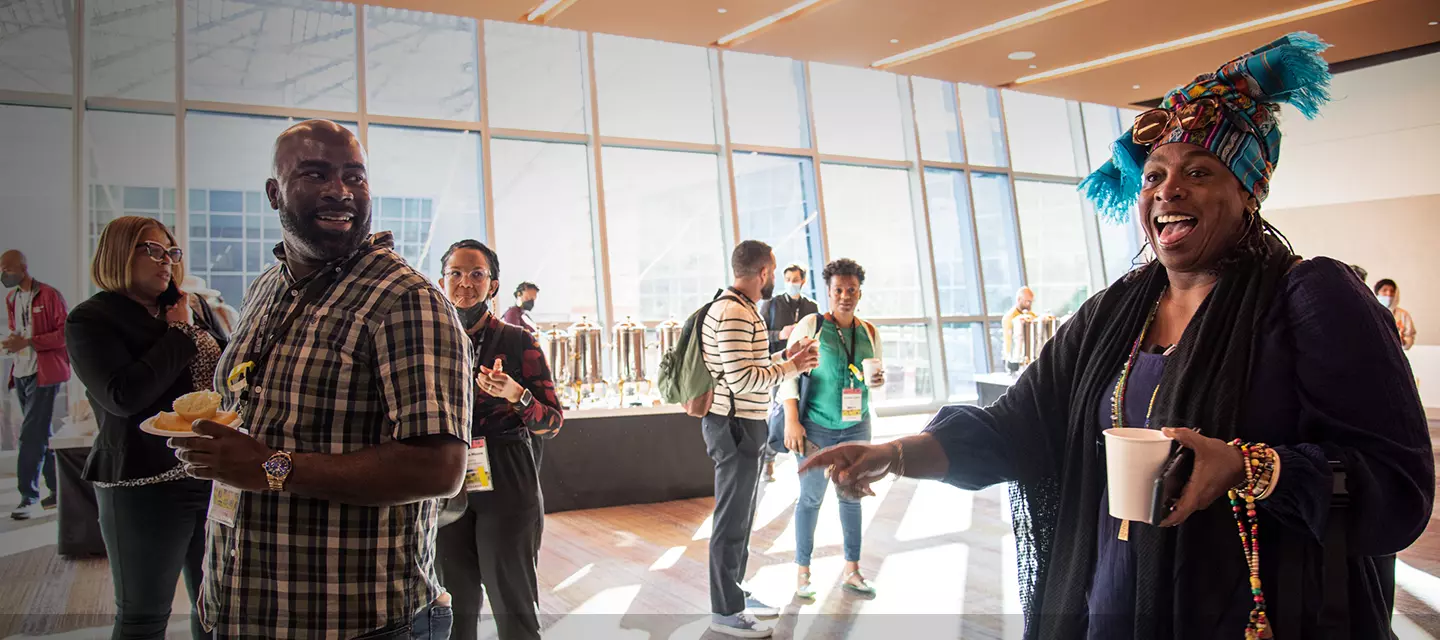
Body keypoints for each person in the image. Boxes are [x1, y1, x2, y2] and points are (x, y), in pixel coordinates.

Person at [801, 33, 1432, 639]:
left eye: (1200, 172)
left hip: (1250, 615)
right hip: (1112, 601)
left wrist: (1246, 466)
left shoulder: (1312, 296)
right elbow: (1020, 426)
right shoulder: (1113, 313)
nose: (1168, 190)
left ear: (1249, 191)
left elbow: (1394, 487)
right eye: (1154, 174)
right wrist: (899, 453)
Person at [170, 120, 469, 639]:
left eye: (355, 176)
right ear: (273, 193)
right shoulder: (266, 288)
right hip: (240, 605)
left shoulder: (405, 300)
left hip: (355, 620)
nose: (341, 191)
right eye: (315, 173)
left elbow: (440, 469)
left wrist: (271, 467)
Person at [65, 216, 226, 638]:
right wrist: (177, 332)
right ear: (120, 254)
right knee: (145, 615)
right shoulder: (91, 319)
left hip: (210, 475)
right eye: (152, 250)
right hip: (143, 483)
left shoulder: (194, 305)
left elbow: (231, 369)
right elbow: (122, 397)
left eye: (171, 252)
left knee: (216, 606)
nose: (166, 262)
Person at [433, 241, 562, 640]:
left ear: (493, 285)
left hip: (506, 471)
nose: (465, 283)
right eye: (456, 273)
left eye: (476, 274)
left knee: (514, 602)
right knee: (453, 604)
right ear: (441, 281)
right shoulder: (427, 340)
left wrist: (516, 395)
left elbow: (553, 422)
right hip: (445, 473)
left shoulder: (519, 340)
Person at [699, 240, 818, 638]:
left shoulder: (740, 308)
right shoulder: (733, 311)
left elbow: (750, 365)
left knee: (742, 519)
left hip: (743, 424)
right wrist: (791, 366)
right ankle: (726, 611)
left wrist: (787, 357)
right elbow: (741, 378)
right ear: (764, 272)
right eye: (775, 270)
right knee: (732, 519)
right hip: (733, 426)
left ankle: (735, 594)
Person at [777, 258, 885, 599]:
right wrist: (792, 420)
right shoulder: (811, 326)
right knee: (811, 499)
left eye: (851, 290)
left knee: (851, 498)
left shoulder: (869, 331)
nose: (845, 296)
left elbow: (872, 377)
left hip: (856, 426)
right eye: (838, 289)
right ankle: (803, 573)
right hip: (816, 427)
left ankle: (852, 571)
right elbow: (788, 373)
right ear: (828, 291)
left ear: (859, 293)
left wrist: (878, 381)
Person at [3, 250, 70, 520]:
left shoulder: (49, 295)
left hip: (46, 374)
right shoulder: (12, 298)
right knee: (40, 434)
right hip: (21, 373)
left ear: (22, 267)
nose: (3, 275)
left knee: (29, 435)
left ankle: (27, 497)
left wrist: (30, 342)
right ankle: (57, 490)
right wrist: (13, 342)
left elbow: (64, 333)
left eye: (6, 269)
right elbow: (16, 331)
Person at [757, 264, 819, 482]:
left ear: (803, 281)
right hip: (778, 365)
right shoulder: (771, 304)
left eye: (796, 279)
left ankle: (803, 461)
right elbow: (761, 334)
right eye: (788, 279)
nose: (792, 283)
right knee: (779, 413)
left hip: (805, 367)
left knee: (801, 413)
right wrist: (780, 334)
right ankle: (768, 459)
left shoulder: (812, 307)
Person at [1001, 286, 1037, 373]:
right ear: (1018, 299)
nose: (1029, 304)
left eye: (1031, 302)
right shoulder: (1009, 317)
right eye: (1027, 301)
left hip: (1030, 357)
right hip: (1014, 358)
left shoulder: (1032, 315)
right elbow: (1009, 341)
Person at [1374, 279, 1416, 350]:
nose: (1389, 294)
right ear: (1377, 293)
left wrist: (1402, 341)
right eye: (1384, 290)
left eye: (1392, 291)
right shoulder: (1371, 311)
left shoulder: (1403, 314)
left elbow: (1409, 337)